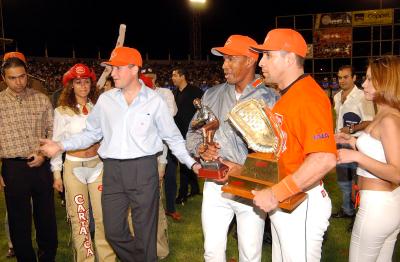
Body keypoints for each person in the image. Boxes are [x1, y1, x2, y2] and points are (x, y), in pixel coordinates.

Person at [40, 46, 200, 262]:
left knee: (145, 233)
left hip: (144, 169)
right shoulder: (106, 101)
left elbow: (173, 138)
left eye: (117, 68)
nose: (112, 73)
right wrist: (60, 145)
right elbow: (90, 134)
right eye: (111, 69)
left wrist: (192, 164)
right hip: (112, 170)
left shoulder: (154, 101)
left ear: (134, 69)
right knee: (113, 232)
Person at [186, 34, 279, 262]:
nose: (224, 65)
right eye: (224, 60)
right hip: (215, 185)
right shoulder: (212, 94)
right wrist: (201, 149)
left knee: (250, 253)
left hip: (251, 186)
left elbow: (278, 152)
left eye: (230, 59)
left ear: (250, 60)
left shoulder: (271, 98)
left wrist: (244, 169)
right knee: (212, 251)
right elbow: (192, 134)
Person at [250, 28, 337, 261]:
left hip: (302, 201)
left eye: (268, 55)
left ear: (289, 59)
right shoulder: (287, 96)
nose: (261, 62)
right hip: (287, 199)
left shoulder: (307, 96)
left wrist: (276, 193)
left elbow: (324, 158)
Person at [336, 56, 400, 262]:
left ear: (387, 82)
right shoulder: (385, 114)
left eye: (371, 79)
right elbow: (380, 148)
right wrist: (353, 141)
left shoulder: (389, 119)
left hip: (377, 207)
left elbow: (397, 173)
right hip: (384, 205)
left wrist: (356, 156)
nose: (364, 84)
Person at [50, 63, 116, 261]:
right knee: (80, 219)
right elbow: (56, 142)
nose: (83, 86)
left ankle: (107, 259)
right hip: (74, 167)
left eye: (86, 82)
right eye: (78, 82)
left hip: (97, 166)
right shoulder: (62, 111)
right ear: (71, 85)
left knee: (103, 217)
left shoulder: (99, 107)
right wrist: (56, 173)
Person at [0, 55, 57, 261]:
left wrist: (43, 154)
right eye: (13, 78)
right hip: (13, 168)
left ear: (27, 75)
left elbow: (53, 131)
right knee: (18, 219)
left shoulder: (41, 99)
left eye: (22, 76)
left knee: (46, 216)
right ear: (4, 78)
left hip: (41, 165)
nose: (19, 82)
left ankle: (47, 256)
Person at [331, 65, 374, 223]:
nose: (342, 80)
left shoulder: (363, 96)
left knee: (359, 183)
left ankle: (359, 217)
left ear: (354, 78)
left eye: (346, 77)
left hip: (357, 145)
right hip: (340, 144)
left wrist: (351, 129)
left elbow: (371, 120)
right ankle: (347, 211)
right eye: (339, 77)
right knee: (343, 181)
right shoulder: (337, 97)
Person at [168, 68, 203, 207]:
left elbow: (203, 111)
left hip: (191, 133)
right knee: (184, 162)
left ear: (183, 76)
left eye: (175, 75)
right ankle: (194, 188)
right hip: (177, 133)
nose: (173, 78)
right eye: (172, 75)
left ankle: (182, 194)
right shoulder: (174, 93)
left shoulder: (195, 91)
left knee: (184, 164)